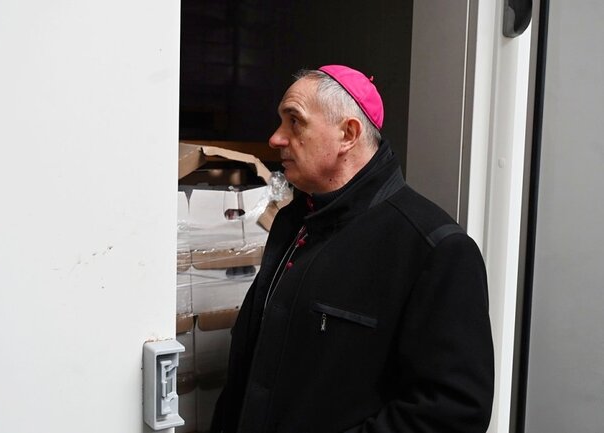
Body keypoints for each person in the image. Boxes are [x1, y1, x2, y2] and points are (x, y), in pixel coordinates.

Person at [210, 65, 494, 433]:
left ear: (348, 134)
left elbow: (452, 412)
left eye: (294, 122)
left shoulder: (434, 249)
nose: (276, 138)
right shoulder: (294, 221)